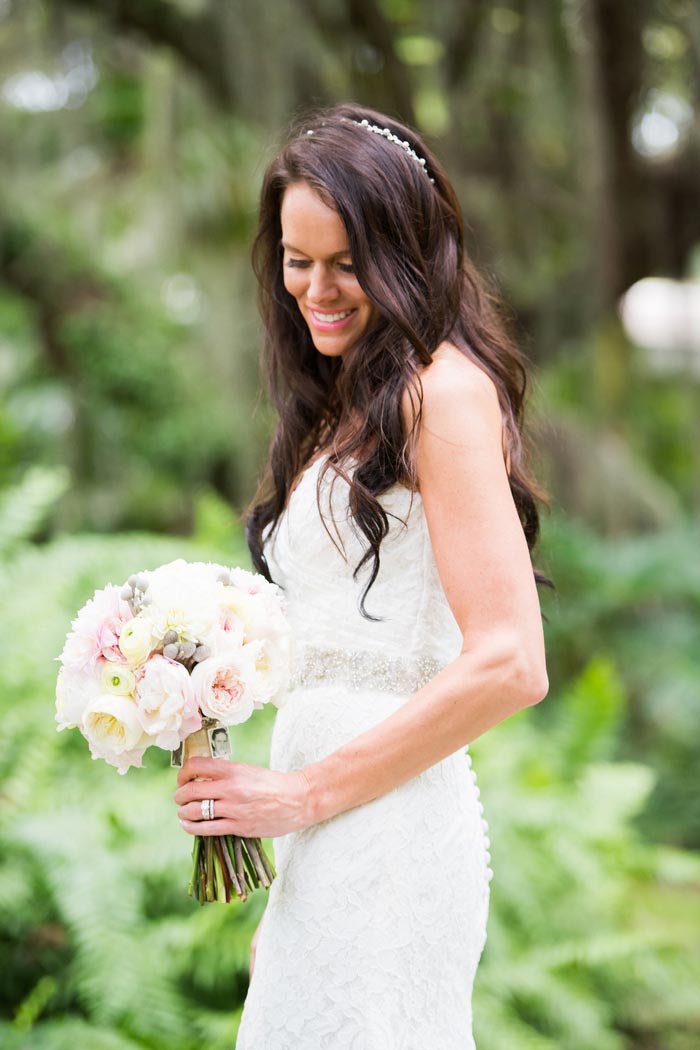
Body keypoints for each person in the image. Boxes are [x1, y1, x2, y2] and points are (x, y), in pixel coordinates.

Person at [174, 101, 549, 1049]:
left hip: (387, 834)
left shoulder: (442, 391)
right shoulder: (345, 407)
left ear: (408, 255)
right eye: (298, 261)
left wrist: (303, 797)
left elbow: (511, 661)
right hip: (324, 839)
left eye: (348, 263)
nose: (318, 289)